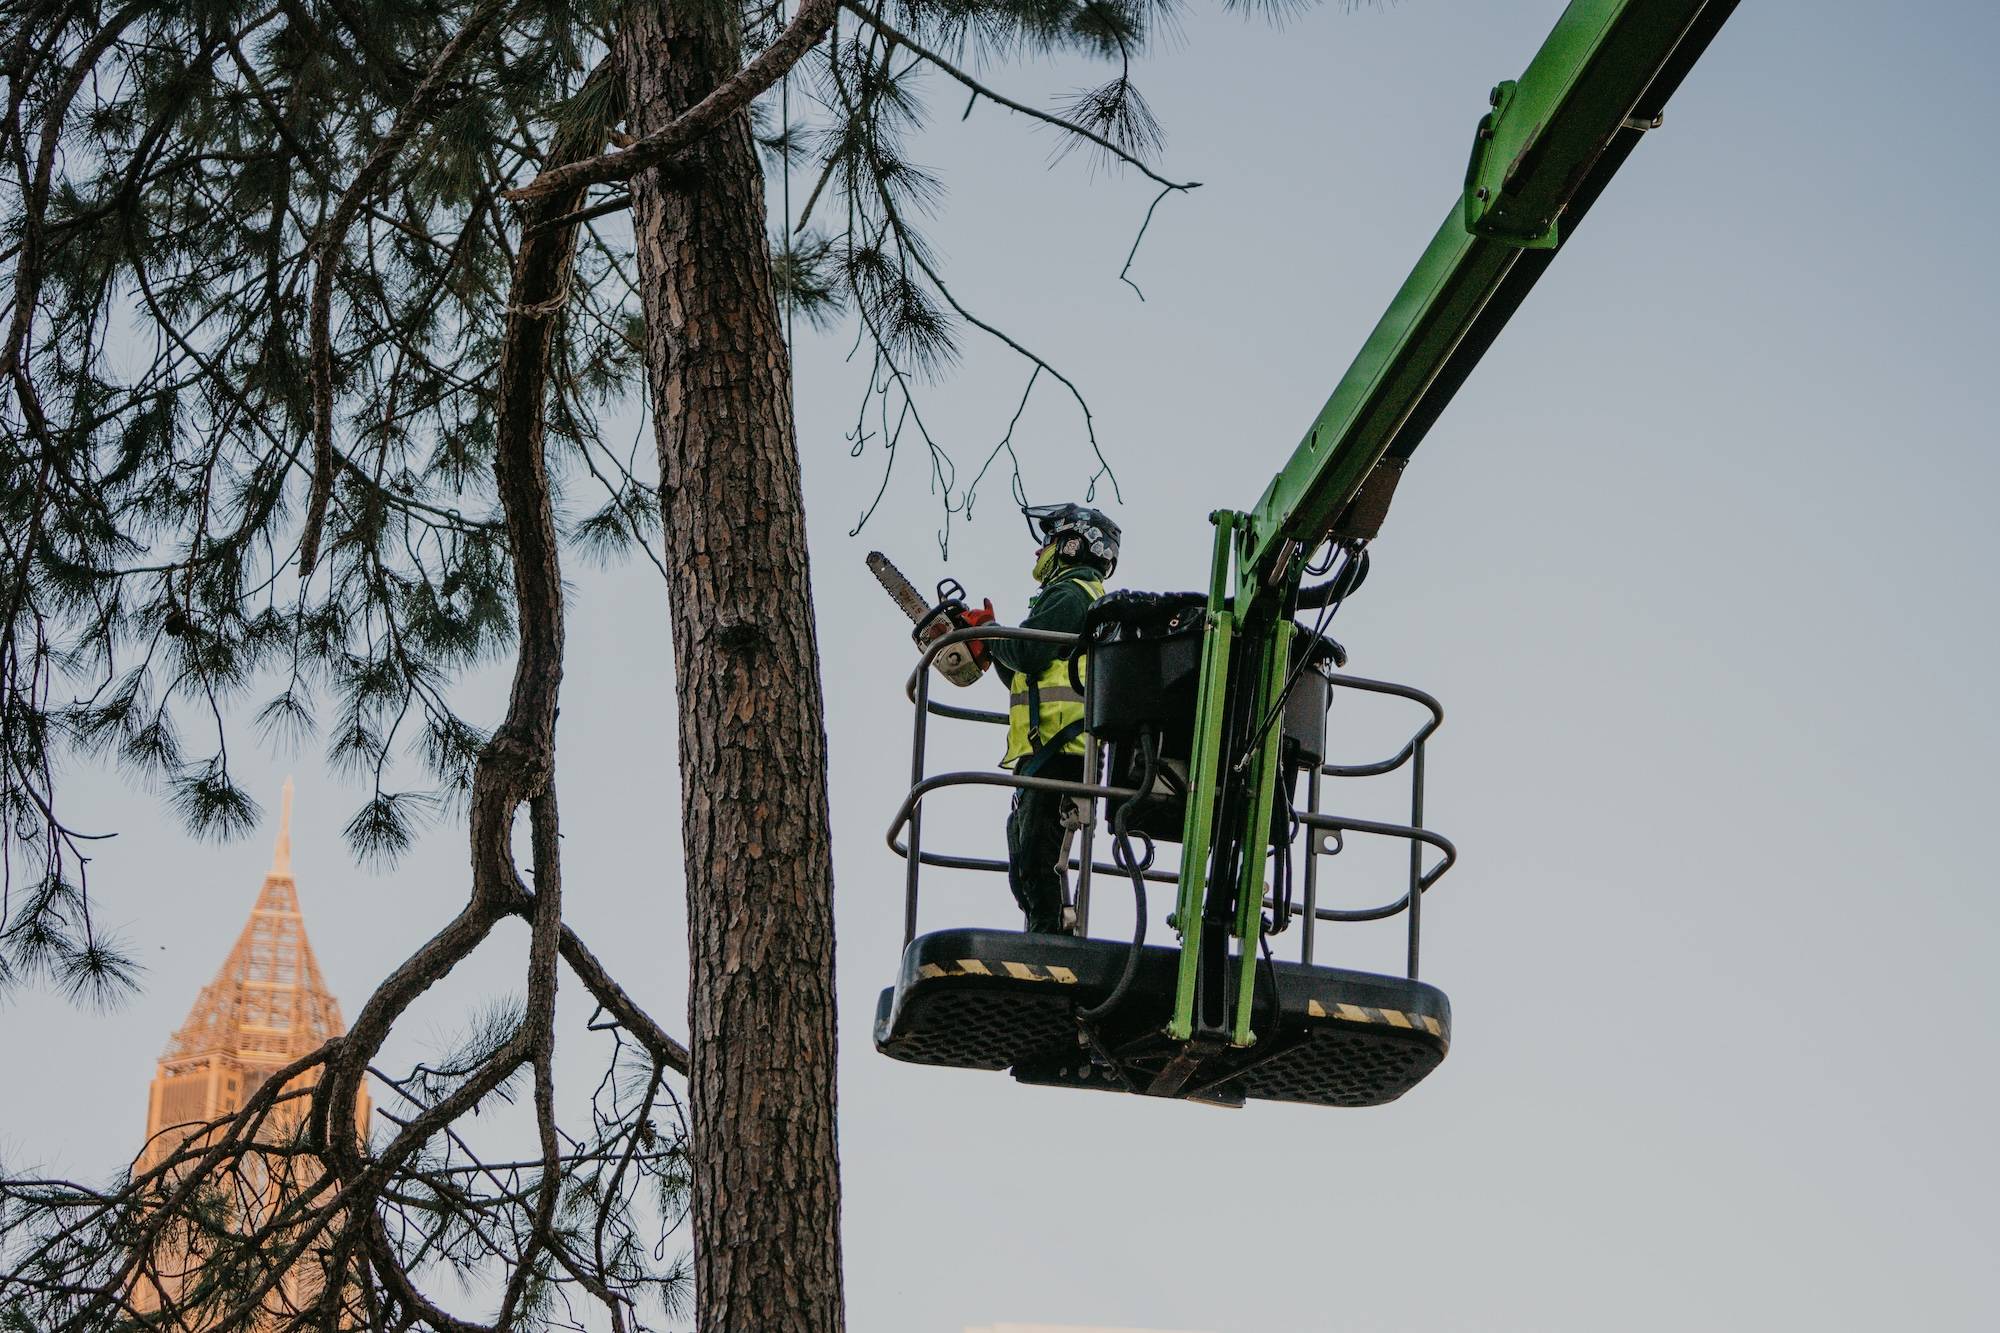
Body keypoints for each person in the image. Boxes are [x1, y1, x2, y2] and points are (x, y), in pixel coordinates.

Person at [988, 502, 1120, 934]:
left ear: (1073, 545)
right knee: (1027, 853)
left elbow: (1027, 652)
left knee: (1037, 856)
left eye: (1048, 541)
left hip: (1062, 749)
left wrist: (991, 632)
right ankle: (1044, 928)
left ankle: (1047, 937)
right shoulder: (1078, 596)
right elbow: (1027, 672)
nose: (1039, 551)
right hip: (1053, 749)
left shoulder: (1070, 595)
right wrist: (992, 647)